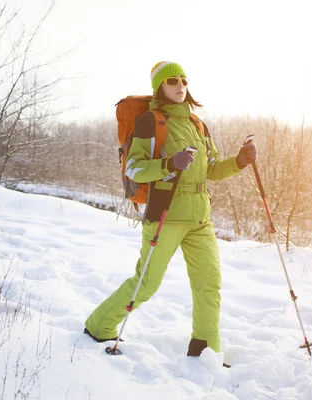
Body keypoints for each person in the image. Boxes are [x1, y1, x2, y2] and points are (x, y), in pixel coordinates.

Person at [84, 61, 258, 362]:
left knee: (209, 284)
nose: (180, 86)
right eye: (172, 81)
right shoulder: (152, 121)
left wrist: (241, 160)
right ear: (160, 87)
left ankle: (205, 350)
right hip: (165, 215)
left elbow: (212, 170)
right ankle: (99, 326)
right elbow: (135, 168)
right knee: (147, 282)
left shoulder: (198, 125)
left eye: (183, 80)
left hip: (200, 219)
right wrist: (168, 164)